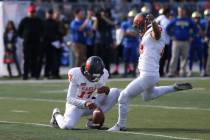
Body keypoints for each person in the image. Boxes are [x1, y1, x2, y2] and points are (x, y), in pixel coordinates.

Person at [108, 13, 193, 132]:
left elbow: (157, 35)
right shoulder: (148, 33)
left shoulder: (156, 30)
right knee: (148, 96)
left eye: (138, 26)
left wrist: (153, 23)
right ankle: (174, 88)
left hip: (148, 74)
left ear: (145, 23)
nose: (138, 29)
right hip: (149, 73)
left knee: (123, 97)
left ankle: (120, 125)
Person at [50, 56, 120, 129]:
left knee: (116, 92)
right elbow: (69, 98)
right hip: (76, 106)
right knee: (67, 126)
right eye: (93, 76)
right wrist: (85, 103)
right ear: (86, 71)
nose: (96, 78)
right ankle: (56, 114)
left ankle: (93, 121)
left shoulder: (104, 73)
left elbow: (99, 91)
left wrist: (106, 91)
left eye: (98, 76)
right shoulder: (76, 74)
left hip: (92, 103)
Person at [166, 6, 196, 77]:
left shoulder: (188, 20)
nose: (181, 12)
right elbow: (167, 28)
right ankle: (171, 72)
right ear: (178, 11)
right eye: (180, 11)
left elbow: (195, 29)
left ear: (184, 11)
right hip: (176, 41)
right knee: (174, 57)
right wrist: (171, 36)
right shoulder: (175, 20)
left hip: (186, 42)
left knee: (184, 58)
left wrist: (192, 37)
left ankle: (182, 72)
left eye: (182, 11)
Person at [18, 3, 44, 80]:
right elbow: (19, 31)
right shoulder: (24, 20)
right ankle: (25, 75)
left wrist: (40, 37)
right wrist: (24, 37)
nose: (32, 13)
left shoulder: (39, 21)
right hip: (27, 43)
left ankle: (35, 75)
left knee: (35, 59)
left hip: (36, 43)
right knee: (26, 59)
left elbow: (42, 31)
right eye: (31, 12)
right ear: (28, 12)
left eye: (33, 12)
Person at [121, 10, 139, 77]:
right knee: (126, 59)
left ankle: (134, 72)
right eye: (131, 17)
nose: (132, 18)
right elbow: (124, 34)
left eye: (133, 17)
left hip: (134, 43)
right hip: (127, 43)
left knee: (135, 59)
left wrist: (130, 33)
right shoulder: (125, 24)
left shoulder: (138, 24)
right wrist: (132, 34)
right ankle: (125, 72)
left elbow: (137, 34)